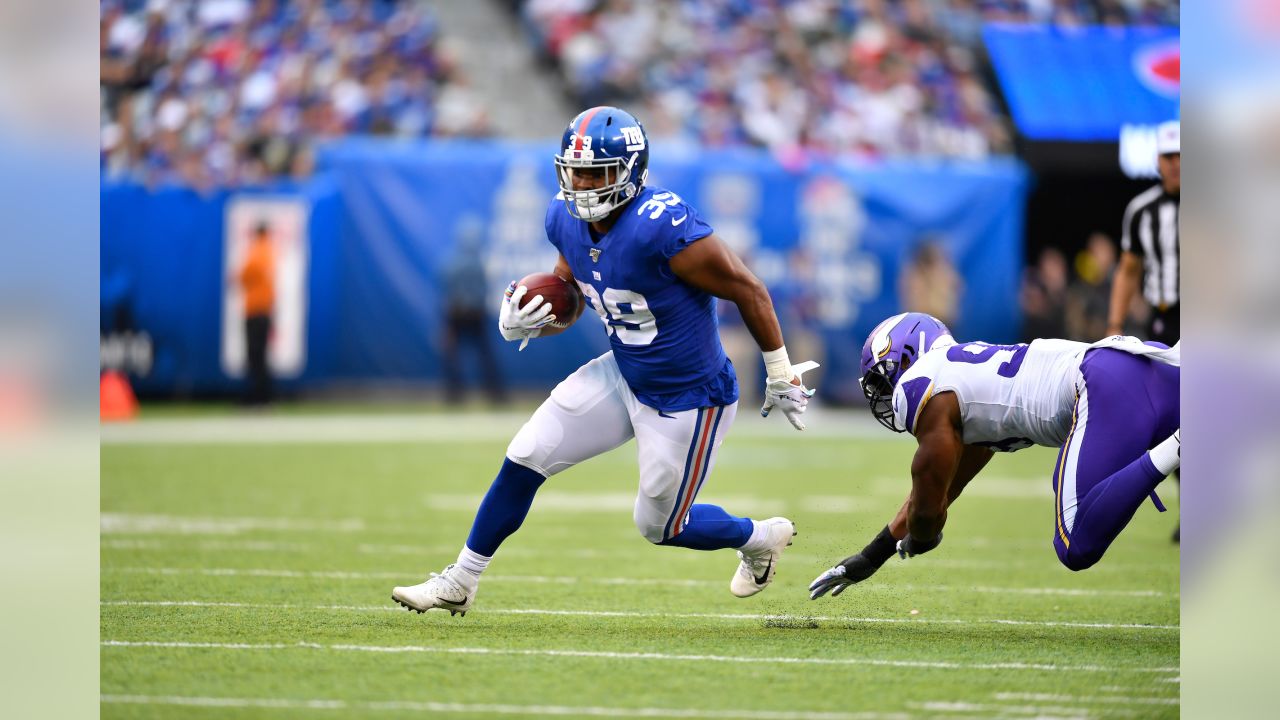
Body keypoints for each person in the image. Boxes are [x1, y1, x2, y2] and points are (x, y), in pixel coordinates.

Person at [393, 107, 819, 616]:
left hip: (688, 396)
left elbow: (749, 288)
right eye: (575, 171)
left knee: (660, 526)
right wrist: (533, 320)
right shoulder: (563, 218)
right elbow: (574, 293)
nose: (581, 183)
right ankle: (460, 580)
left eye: (596, 172)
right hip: (624, 372)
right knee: (527, 452)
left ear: (631, 171)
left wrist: (778, 370)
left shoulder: (662, 227)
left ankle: (758, 537)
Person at [808, 312, 1179, 600]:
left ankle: (1179, 443)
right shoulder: (971, 395)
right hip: (1132, 367)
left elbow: (927, 507)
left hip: (1100, 385)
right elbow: (942, 489)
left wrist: (924, 535)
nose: (885, 394)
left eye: (881, 380)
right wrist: (874, 555)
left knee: (1075, 542)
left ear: (906, 356)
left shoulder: (921, 385)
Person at [1107, 120, 1180, 542]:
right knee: (1164, 418)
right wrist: (1115, 325)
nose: (1177, 166)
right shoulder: (1142, 211)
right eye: (1171, 157)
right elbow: (1129, 269)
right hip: (1164, 320)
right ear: (1158, 161)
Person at [440, 216, 507, 405]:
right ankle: (495, 395)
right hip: (475, 314)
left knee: (458, 356)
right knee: (484, 356)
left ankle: (455, 396)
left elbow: (446, 292)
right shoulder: (479, 264)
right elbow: (484, 290)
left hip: (457, 313)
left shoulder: (452, 263)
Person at [237, 221, 275, 406]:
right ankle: (263, 396)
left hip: (255, 310)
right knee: (261, 356)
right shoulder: (270, 252)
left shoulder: (257, 251)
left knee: (255, 356)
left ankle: (257, 396)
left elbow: (243, 275)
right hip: (266, 310)